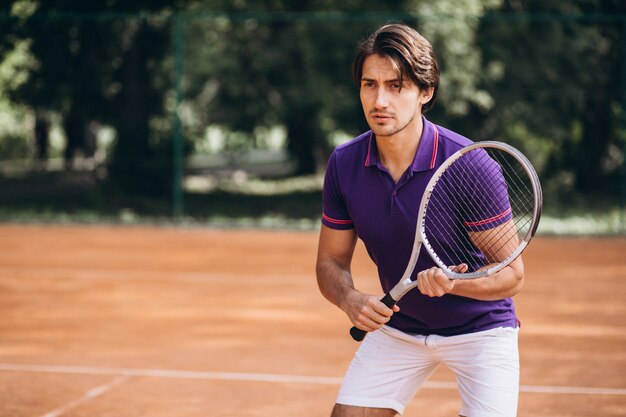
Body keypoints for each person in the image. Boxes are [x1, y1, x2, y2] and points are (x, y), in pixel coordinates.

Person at [316, 23, 524, 417]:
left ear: (425, 92)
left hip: (481, 331)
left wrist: (454, 283)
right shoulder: (345, 164)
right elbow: (330, 262)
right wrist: (349, 298)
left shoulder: (468, 165)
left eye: (396, 86)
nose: (380, 100)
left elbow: (512, 275)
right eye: (369, 84)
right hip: (401, 327)